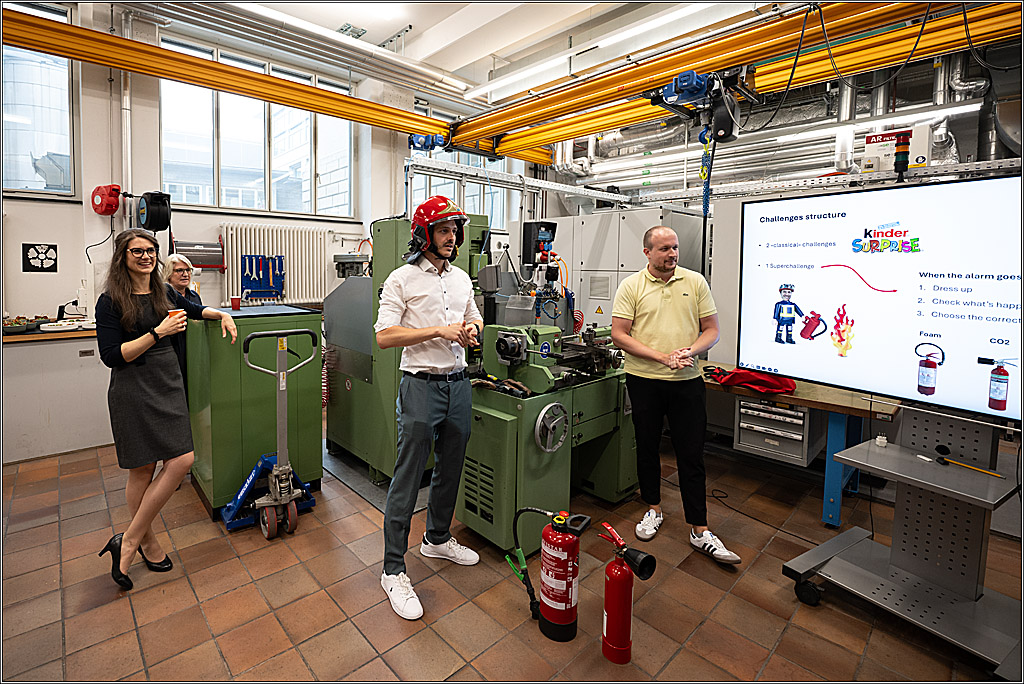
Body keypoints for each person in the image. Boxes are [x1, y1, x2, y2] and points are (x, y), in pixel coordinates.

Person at [96, 229, 237, 590]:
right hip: (133, 386)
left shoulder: (164, 291)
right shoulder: (110, 301)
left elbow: (191, 308)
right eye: (137, 251)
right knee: (142, 468)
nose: (145, 256)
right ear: (122, 256)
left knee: (181, 460)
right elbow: (112, 356)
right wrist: (158, 333)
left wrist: (219, 313)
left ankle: (127, 539)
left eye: (151, 250)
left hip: (167, 383)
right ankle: (145, 541)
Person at [373, 196, 484, 620]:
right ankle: (393, 568)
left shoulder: (460, 280)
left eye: (454, 230)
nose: (451, 237)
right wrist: (439, 329)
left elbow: (473, 317)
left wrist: (470, 329)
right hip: (420, 386)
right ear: (423, 234)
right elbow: (384, 336)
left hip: (458, 385)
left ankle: (437, 538)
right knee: (408, 474)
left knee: (451, 466)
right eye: (443, 230)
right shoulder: (401, 278)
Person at [610, 226, 741, 564]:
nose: (672, 254)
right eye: (664, 249)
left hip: (687, 381)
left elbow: (711, 329)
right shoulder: (632, 286)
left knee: (692, 453)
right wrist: (661, 357)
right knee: (648, 448)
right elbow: (619, 335)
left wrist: (690, 351)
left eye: (675, 248)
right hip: (644, 380)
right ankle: (653, 509)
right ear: (647, 252)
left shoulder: (695, 282)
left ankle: (700, 529)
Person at [164, 254, 202, 398]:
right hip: (171, 354)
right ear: (168, 273)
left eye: (188, 270)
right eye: (179, 270)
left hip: (192, 354)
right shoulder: (162, 298)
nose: (185, 274)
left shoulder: (194, 296)